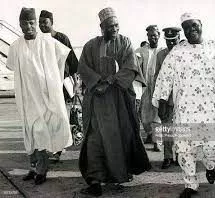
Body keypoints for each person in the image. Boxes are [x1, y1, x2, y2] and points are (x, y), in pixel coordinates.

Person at [152, 12, 215, 198]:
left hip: (212, 109)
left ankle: (209, 165)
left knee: (213, 147)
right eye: (186, 27)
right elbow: (165, 76)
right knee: (184, 147)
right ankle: (190, 184)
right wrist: (161, 100)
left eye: (194, 25)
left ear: (201, 24)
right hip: (185, 109)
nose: (190, 30)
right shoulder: (177, 52)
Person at [78, 7, 150, 197]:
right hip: (96, 101)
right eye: (110, 26)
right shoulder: (90, 46)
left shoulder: (125, 42)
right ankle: (94, 180)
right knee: (94, 139)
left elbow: (130, 66)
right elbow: (83, 67)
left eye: (117, 25)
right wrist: (96, 83)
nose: (115, 29)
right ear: (102, 27)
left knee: (119, 137)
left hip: (118, 100)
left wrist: (109, 81)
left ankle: (118, 174)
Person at [6, 8, 73, 185]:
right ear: (19, 25)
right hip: (26, 96)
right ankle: (33, 167)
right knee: (29, 132)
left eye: (31, 23)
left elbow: (63, 58)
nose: (28, 26)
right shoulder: (15, 46)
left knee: (41, 131)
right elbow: (12, 66)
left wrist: (55, 86)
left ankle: (42, 170)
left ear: (35, 23)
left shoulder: (48, 42)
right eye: (24, 23)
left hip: (44, 97)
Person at [38, 9, 78, 161]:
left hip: (62, 84)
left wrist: (75, 83)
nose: (42, 25)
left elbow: (72, 61)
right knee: (48, 116)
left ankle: (60, 148)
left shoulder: (62, 38)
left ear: (51, 22)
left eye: (45, 22)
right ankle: (53, 146)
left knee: (61, 116)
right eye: (40, 23)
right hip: (46, 85)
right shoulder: (39, 40)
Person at [154, 27, 181, 169]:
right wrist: (158, 98)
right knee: (167, 128)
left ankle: (181, 156)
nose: (171, 44)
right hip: (166, 99)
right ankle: (168, 157)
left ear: (179, 38)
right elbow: (157, 77)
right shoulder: (160, 55)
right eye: (168, 41)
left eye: (174, 41)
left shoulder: (186, 54)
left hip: (183, 99)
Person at [136, 25, 163, 151]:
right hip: (145, 86)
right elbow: (136, 65)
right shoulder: (140, 51)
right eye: (151, 35)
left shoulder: (163, 51)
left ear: (159, 36)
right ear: (147, 36)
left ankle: (157, 141)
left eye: (155, 35)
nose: (153, 38)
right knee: (145, 115)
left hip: (158, 87)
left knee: (157, 114)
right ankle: (150, 133)